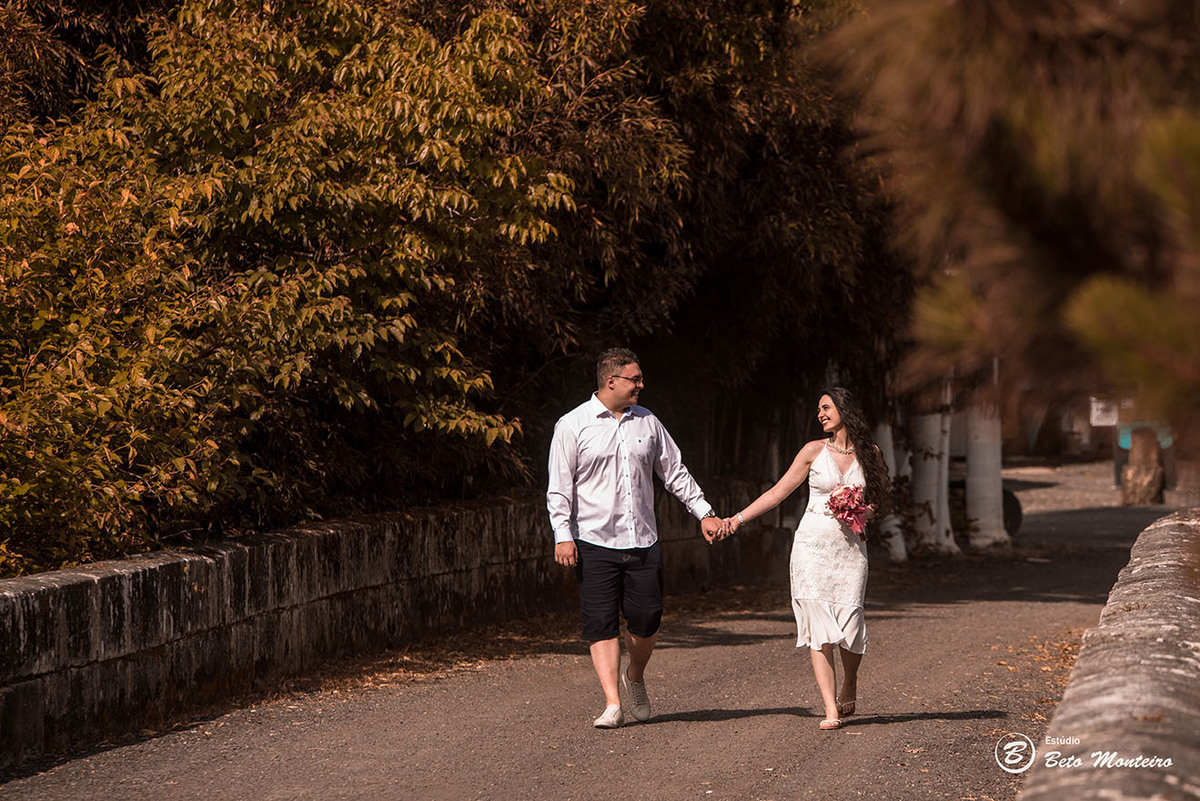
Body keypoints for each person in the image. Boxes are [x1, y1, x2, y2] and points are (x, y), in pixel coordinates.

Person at [547, 348, 725, 729]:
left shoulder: (648, 422)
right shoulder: (573, 425)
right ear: (611, 381)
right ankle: (612, 703)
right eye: (635, 379)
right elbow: (559, 487)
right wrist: (562, 535)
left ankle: (636, 675)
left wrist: (704, 512)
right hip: (593, 541)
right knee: (600, 623)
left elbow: (674, 472)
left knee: (647, 620)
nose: (641, 385)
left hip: (642, 540)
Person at [720, 387, 890, 730]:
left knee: (851, 623)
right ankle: (829, 708)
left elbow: (881, 502)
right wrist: (736, 520)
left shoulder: (870, 453)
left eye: (826, 407)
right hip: (811, 546)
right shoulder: (813, 451)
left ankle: (850, 681)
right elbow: (777, 493)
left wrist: (861, 510)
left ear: (844, 409)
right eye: (818, 409)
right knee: (818, 627)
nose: (820, 414)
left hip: (850, 550)